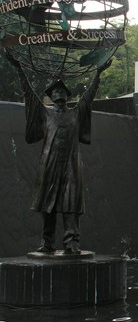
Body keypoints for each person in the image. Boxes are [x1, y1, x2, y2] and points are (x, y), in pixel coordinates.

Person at [6, 51, 111, 254]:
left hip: (71, 164)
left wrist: (98, 73)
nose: (59, 94)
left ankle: (72, 242)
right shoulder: (45, 114)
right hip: (49, 164)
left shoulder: (76, 113)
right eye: (55, 92)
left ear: (67, 96)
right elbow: (29, 93)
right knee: (48, 203)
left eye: (62, 92)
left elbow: (89, 96)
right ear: (51, 96)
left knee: (71, 203)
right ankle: (47, 242)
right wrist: (19, 68)